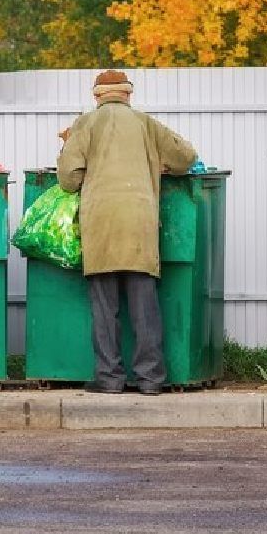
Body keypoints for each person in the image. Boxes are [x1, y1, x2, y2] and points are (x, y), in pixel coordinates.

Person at [57, 70, 198, 395]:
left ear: (96, 96)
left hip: (101, 223)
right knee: (144, 305)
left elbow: (68, 180)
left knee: (106, 309)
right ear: (128, 95)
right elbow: (187, 158)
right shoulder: (147, 124)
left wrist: (69, 150)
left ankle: (109, 379)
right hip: (139, 221)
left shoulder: (85, 125)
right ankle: (150, 380)